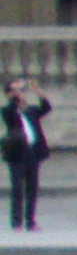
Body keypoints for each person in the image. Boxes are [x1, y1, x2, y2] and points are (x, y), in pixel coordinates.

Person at [0, 78, 48, 230]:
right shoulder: (8, 111)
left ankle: (31, 221)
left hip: (33, 153)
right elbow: (11, 113)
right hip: (17, 154)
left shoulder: (31, 111)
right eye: (16, 91)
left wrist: (38, 92)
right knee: (17, 188)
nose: (21, 93)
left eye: (22, 90)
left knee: (32, 188)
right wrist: (15, 97)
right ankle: (16, 222)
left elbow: (46, 108)